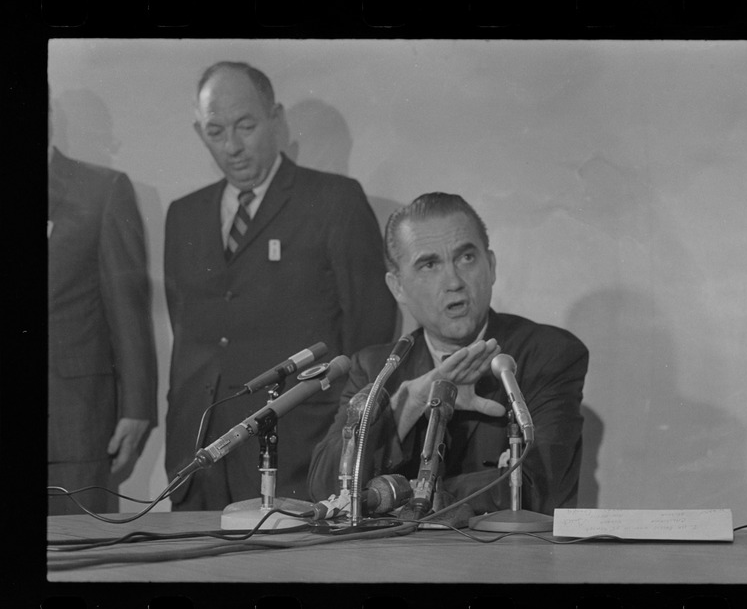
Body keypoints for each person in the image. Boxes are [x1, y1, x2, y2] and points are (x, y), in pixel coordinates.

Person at [164, 61, 397, 510]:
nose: (232, 146)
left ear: (276, 117)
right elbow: (188, 335)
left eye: (246, 126)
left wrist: (344, 447)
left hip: (297, 452)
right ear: (199, 133)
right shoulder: (183, 215)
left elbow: (371, 339)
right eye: (215, 132)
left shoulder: (335, 201)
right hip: (198, 458)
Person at [308, 192, 589, 516]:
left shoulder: (547, 354)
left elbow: (539, 490)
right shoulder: (375, 368)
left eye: (466, 258)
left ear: (492, 265)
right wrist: (409, 403)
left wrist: (410, 496)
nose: (454, 281)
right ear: (397, 286)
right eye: (429, 265)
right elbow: (327, 491)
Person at [48, 92, 158, 515]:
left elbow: (128, 309)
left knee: (77, 563)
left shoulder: (102, 190)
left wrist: (136, 408)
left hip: (71, 430)